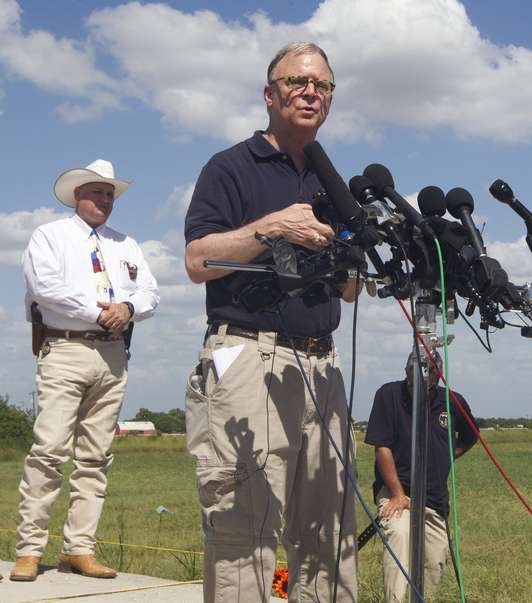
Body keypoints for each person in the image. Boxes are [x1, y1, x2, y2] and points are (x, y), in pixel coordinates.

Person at [183, 42, 359, 602]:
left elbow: (351, 290)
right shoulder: (230, 167)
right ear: (269, 94)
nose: (310, 92)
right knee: (246, 536)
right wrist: (274, 227)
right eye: (296, 82)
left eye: (322, 86)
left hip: (322, 363)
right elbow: (197, 261)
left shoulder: (334, 183)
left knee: (331, 537)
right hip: (250, 359)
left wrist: (353, 258)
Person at [11, 159, 159, 582]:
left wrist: (128, 309)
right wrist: (103, 312)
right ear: (78, 195)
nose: (105, 200)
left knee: (95, 456)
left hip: (112, 354)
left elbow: (150, 291)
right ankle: (29, 550)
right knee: (49, 451)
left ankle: (79, 548)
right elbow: (46, 289)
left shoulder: (125, 243)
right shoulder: (50, 236)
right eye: (97, 192)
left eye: (110, 193)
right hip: (65, 348)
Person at [364, 351, 478, 602]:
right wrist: (397, 493)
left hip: (434, 498)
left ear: (439, 375)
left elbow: (471, 437)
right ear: (407, 372)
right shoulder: (389, 395)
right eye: (416, 376)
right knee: (400, 537)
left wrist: (445, 458)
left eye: (431, 376)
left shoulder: (452, 401)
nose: (423, 384)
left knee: (434, 558)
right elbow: (381, 447)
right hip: (397, 493)